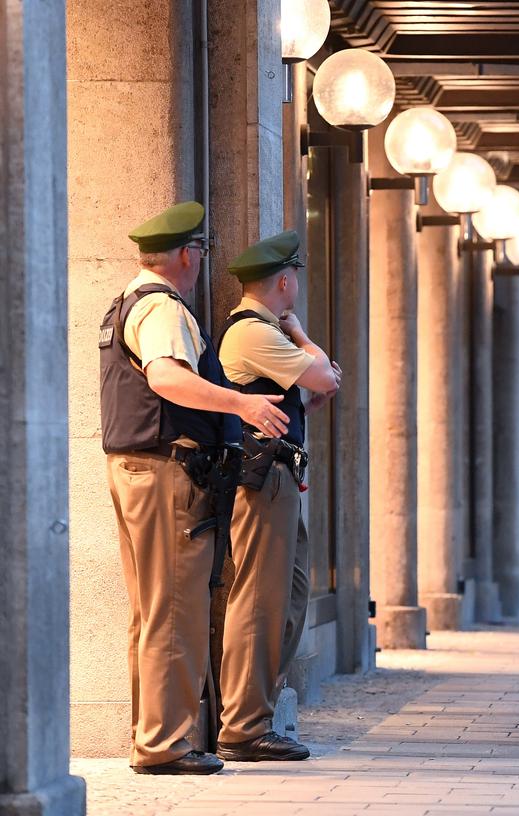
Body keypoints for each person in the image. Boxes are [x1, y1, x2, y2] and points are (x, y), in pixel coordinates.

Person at [100, 201, 289, 775]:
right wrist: (242, 402)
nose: (203, 262)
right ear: (188, 255)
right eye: (202, 252)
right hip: (165, 471)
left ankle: (156, 734)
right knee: (176, 608)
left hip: (138, 468)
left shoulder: (126, 303)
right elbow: (165, 376)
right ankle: (165, 743)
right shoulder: (161, 307)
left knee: (155, 610)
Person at [216, 230, 341, 762]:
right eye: (295, 281)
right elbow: (325, 376)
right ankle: (243, 725)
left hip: (280, 475)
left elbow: (319, 384)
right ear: (284, 282)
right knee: (260, 598)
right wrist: (303, 334)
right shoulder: (253, 332)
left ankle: (259, 712)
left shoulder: (266, 331)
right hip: (261, 478)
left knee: (288, 593)